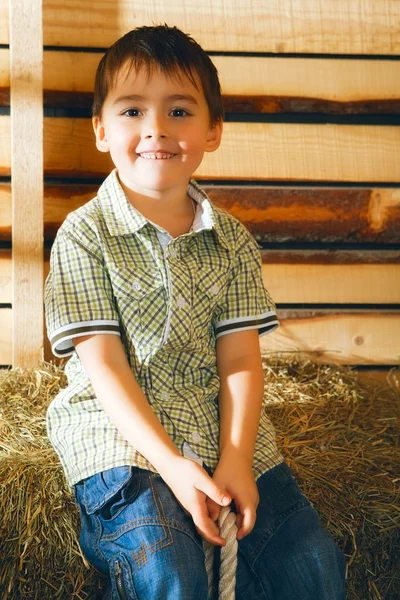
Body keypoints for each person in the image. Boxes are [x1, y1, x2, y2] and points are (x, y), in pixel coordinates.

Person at [44, 24, 346, 600]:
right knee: (169, 573)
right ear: (102, 131)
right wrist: (174, 468)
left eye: (179, 111)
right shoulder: (85, 236)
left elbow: (239, 360)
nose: (156, 127)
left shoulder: (231, 241)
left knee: (310, 566)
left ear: (213, 131)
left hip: (217, 425)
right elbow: (104, 367)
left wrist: (235, 459)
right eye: (133, 110)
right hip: (122, 439)